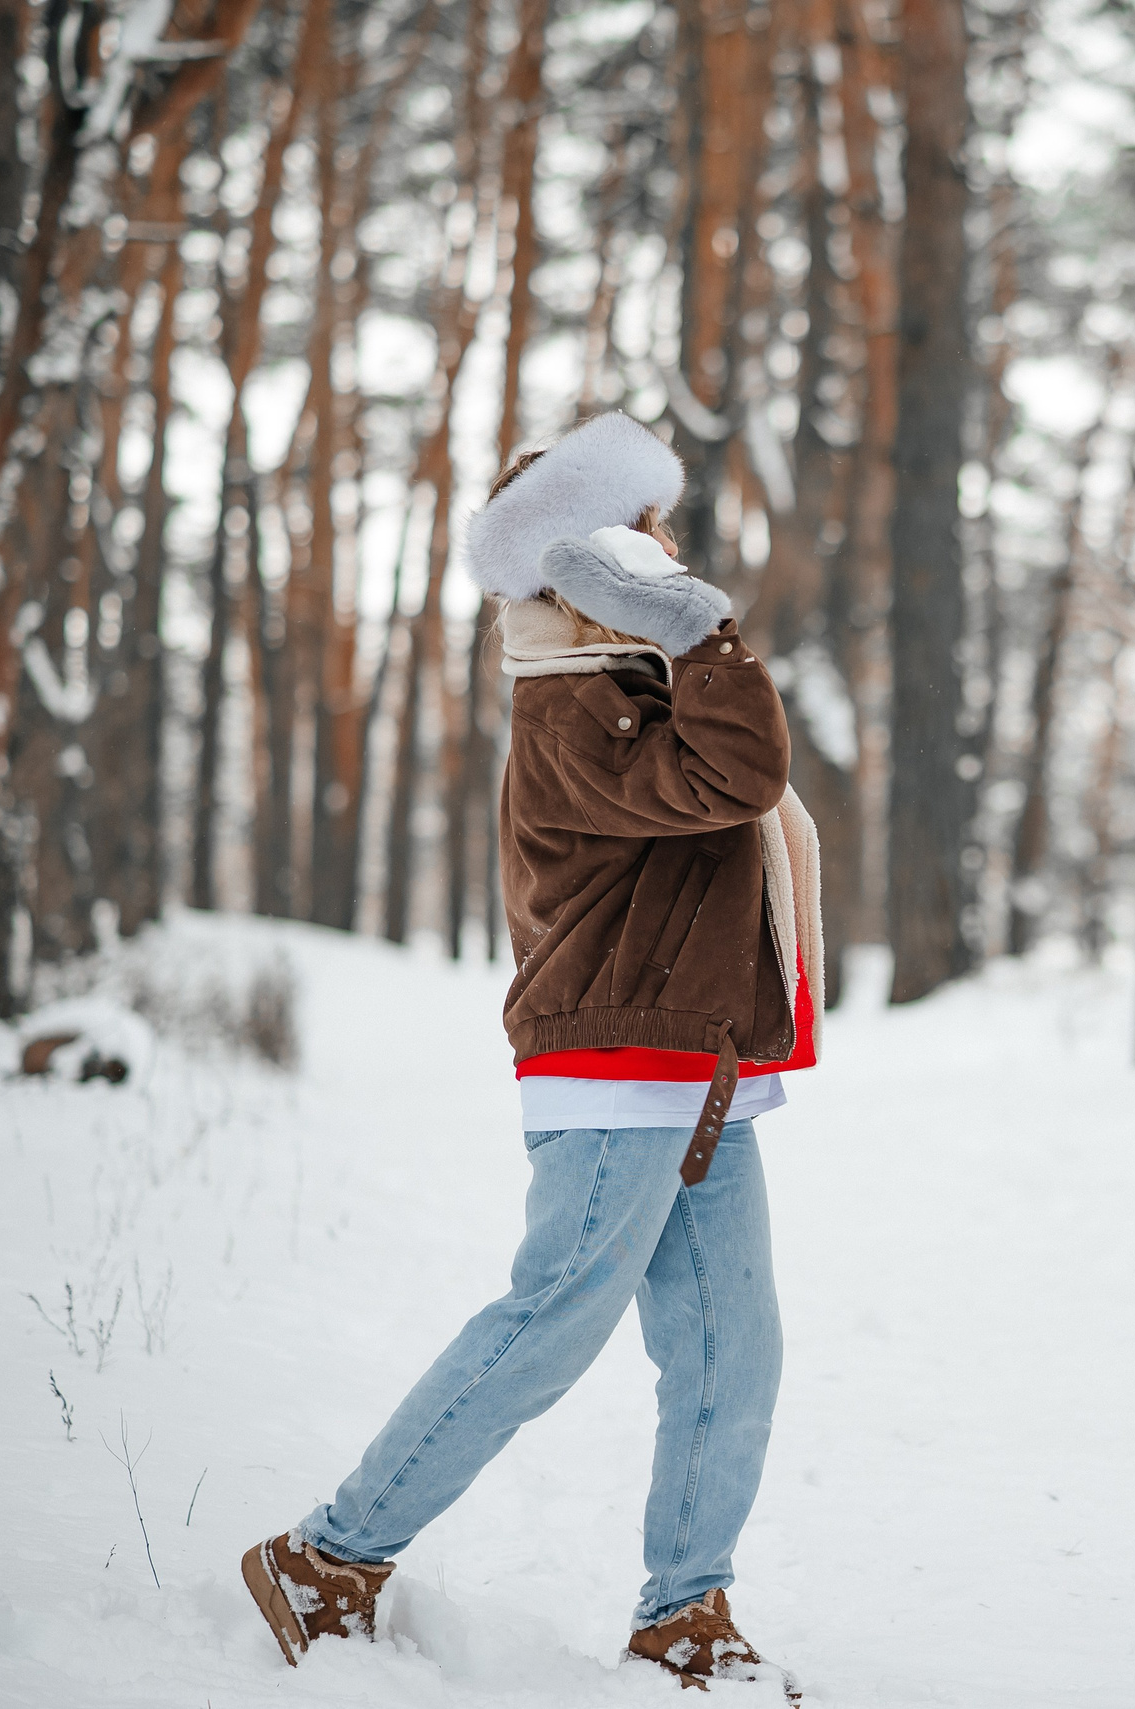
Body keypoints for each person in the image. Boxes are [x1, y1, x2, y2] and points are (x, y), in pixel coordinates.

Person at [240, 411, 820, 1699]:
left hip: (692, 1064)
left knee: (734, 1346)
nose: (663, 558)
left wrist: (685, 643)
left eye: (656, 535)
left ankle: (687, 1611)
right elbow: (740, 770)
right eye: (634, 539)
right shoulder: (573, 708)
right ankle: (328, 1556)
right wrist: (703, 633)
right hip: (617, 1063)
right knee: (551, 1321)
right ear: (580, 564)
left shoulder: (630, 691)